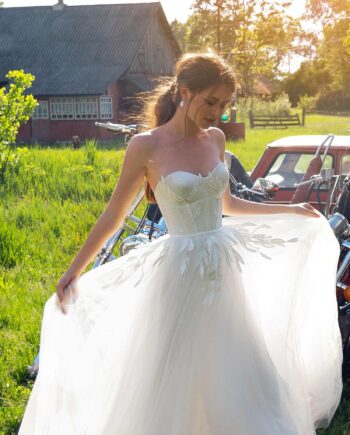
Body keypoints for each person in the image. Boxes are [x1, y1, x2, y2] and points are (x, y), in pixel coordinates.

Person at [19, 53, 342, 435]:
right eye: (211, 102)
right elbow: (114, 217)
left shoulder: (217, 140)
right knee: (174, 372)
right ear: (184, 92)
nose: (219, 113)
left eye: (225, 105)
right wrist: (74, 270)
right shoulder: (146, 146)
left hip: (224, 268)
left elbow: (228, 205)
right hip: (180, 274)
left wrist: (292, 209)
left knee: (238, 364)